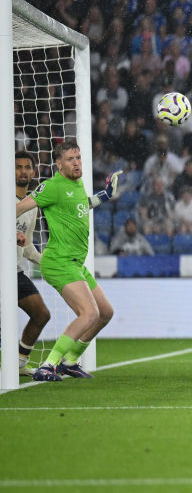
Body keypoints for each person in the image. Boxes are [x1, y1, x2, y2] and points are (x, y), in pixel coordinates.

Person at [16, 141, 121, 381]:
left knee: (105, 312)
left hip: (75, 263)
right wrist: (14, 232)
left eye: (78, 158)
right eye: (70, 159)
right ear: (59, 164)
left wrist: (104, 196)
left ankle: (70, 361)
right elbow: (18, 209)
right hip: (59, 261)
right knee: (89, 314)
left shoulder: (77, 183)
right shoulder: (52, 186)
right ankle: (48, 365)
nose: (76, 163)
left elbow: (81, 205)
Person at [12, 151, 51, 377]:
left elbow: (26, 247)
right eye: (18, 167)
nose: (23, 171)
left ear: (34, 172)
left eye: (27, 167)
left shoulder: (32, 206)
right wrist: (10, 236)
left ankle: (18, 363)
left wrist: (47, 262)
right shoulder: (3, 198)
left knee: (41, 314)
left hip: (15, 273)